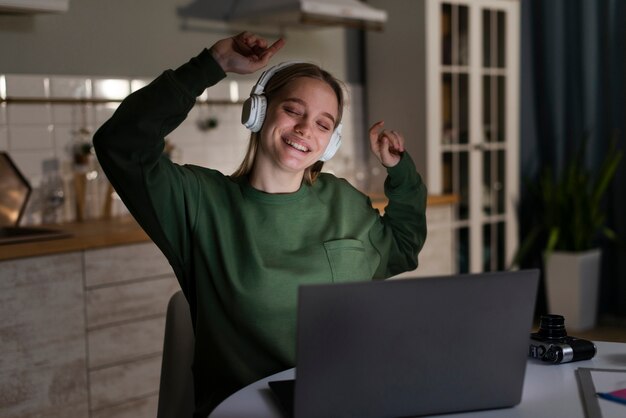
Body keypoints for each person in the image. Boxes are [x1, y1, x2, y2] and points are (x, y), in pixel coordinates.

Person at [93, 31, 427, 417]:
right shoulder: (200, 203)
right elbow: (120, 143)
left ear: (330, 143)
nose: (305, 129)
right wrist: (212, 63)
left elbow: (402, 246)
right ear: (258, 111)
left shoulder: (342, 200)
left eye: (323, 123)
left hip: (344, 400)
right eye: (293, 110)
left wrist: (399, 172)